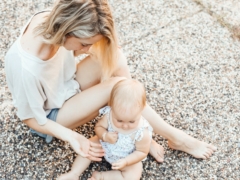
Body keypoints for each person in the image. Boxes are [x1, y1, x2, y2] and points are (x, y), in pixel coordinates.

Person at [5, 0, 216, 166]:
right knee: (117, 86)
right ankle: (174, 137)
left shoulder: (52, 19)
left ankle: (138, 129)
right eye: (84, 44)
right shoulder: (26, 67)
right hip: (51, 116)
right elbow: (30, 119)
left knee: (114, 55)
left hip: (65, 86)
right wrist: (72, 137)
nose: (86, 50)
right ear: (65, 30)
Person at [59, 79, 153, 180]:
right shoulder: (109, 115)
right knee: (88, 145)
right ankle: (74, 173)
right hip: (104, 146)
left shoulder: (142, 132)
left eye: (131, 122)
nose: (125, 126)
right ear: (112, 107)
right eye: (119, 121)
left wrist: (126, 161)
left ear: (142, 109)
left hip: (126, 156)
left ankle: (102, 177)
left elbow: (141, 152)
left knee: (133, 175)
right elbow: (99, 127)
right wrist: (104, 135)